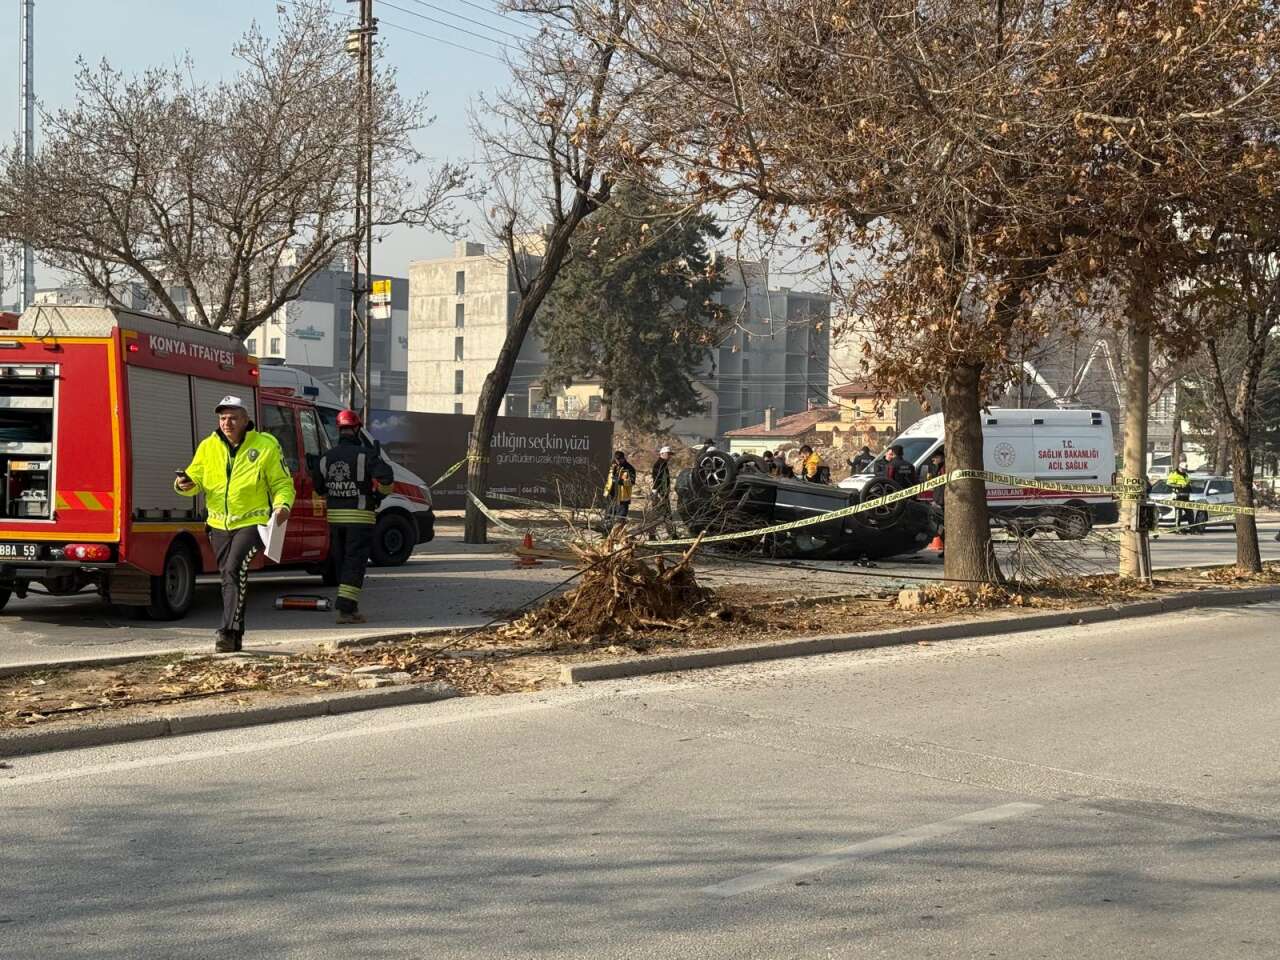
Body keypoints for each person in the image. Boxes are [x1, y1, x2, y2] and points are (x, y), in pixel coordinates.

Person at [176, 395, 294, 653]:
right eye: (222, 418)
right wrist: (184, 484)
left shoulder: (265, 445)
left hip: (253, 522)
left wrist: (282, 506)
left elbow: (282, 483)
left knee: (233, 569)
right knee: (229, 576)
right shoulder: (208, 446)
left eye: (232, 418)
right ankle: (237, 632)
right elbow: (194, 478)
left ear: (246, 420)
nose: (226, 423)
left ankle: (226, 632)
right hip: (218, 524)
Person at [313, 409, 394, 625]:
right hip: (360, 518)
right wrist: (377, 496)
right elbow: (387, 477)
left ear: (339, 430)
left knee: (342, 563)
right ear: (357, 429)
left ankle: (351, 606)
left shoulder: (325, 458)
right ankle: (346, 610)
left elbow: (319, 487)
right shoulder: (365, 454)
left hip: (335, 519)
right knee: (354, 563)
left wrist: (338, 492)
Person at [648, 445, 678, 539]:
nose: (669, 456)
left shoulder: (663, 464)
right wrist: (658, 494)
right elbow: (657, 479)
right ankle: (653, 535)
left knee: (666, 514)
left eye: (670, 455)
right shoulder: (659, 465)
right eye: (668, 454)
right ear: (662, 454)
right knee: (657, 515)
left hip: (663, 493)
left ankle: (672, 534)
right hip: (659, 494)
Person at [603, 450, 636, 531]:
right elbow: (609, 480)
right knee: (608, 517)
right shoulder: (613, 466)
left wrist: (620, 481)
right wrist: (606, 492)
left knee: (620, 519)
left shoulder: (630, 468)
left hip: (623, 498)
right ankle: (606, 535)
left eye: (619, 459)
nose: (618, 461)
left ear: (623, 458)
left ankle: (618, 536)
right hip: (611, 496)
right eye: (616, 459)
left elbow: (632, 482)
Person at [1167, 464, 1191, 534]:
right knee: (1178, 514)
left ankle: (1192, 529)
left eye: (1185, 469)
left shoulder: (1185, 475)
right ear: (1179, 468)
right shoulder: (1174, 474)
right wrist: (1179, 486)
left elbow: (1187, 483)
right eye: (1183, 469)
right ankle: (1177, 529)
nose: (1184, 470)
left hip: (1186, 497)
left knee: (1190, 513)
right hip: (1178, 497)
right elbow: (1169, 484)